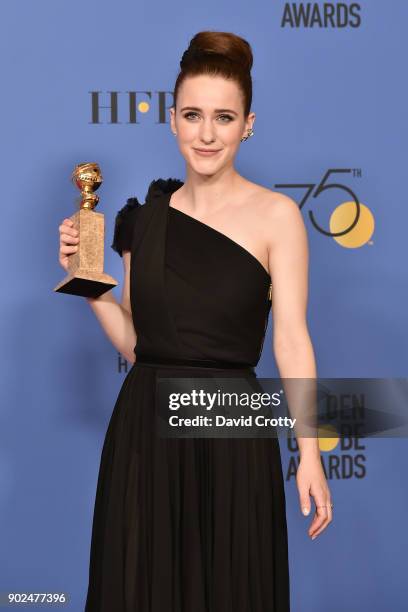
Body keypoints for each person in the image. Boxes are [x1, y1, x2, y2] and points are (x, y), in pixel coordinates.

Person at [58, 30, 332, 612]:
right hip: (144, 432)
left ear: (248, 124)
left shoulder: (277, 217)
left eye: (224, 118)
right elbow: (139, 344)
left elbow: (291, 340)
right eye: (193, 115)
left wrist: (308, 451)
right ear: (173, 120)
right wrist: (91, 290)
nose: (207, 134)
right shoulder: (143, 221)